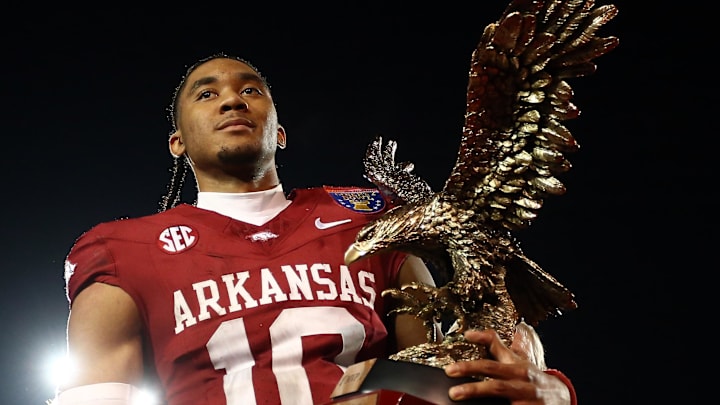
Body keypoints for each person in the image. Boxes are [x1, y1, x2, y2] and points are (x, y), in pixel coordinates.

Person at [51, 53, 577, 405]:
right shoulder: (122, 249)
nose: (233, 100)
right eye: (206, 95)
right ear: (177, 143)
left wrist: (543, 393)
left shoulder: (371, 220)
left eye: (251, 90)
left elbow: (431, 378)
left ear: (278, 132)